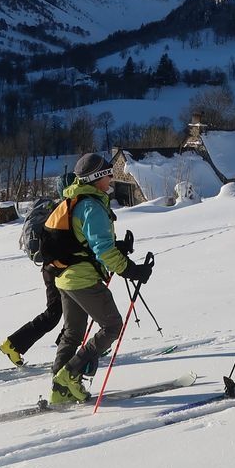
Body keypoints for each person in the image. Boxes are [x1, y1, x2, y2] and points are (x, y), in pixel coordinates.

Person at [48, 153, 154, 404]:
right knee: (112, 326)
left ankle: (59, 389)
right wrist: (131, 269)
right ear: (96, 178)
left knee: (72, 333)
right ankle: (71, 374)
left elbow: (84, 240)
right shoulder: (92, 207)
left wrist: (117, 247)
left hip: (64, 277)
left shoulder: (74, 200)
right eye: (107, 174)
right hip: (82, 280)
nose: (111, 178)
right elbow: (103, 251)